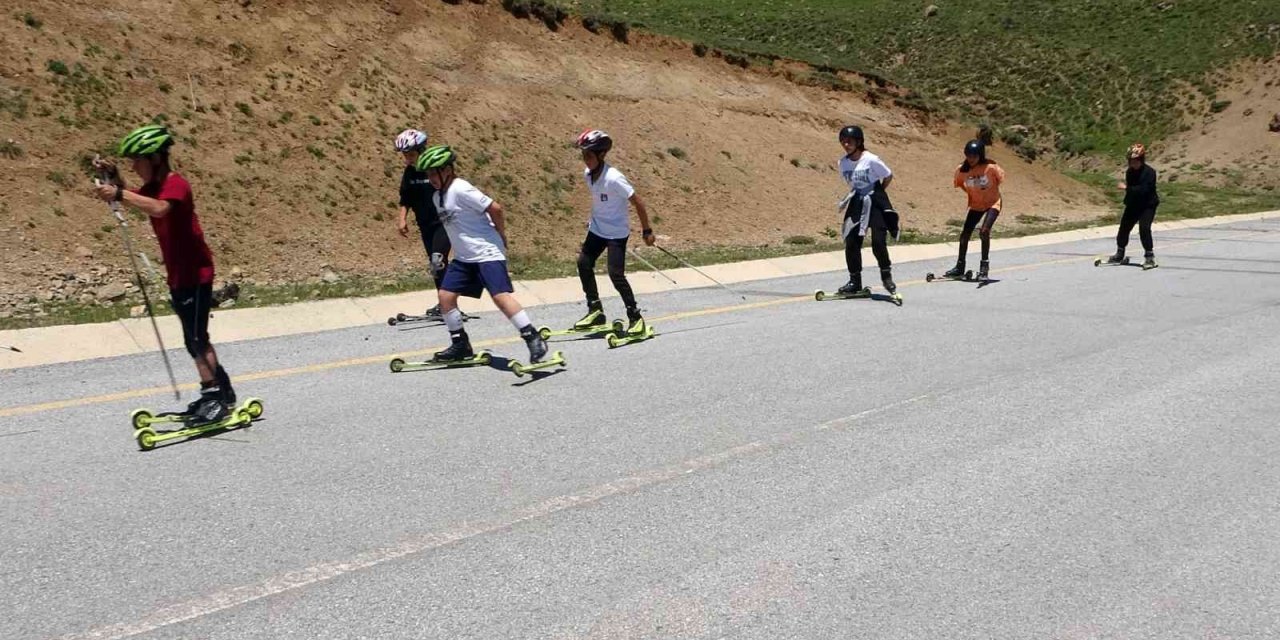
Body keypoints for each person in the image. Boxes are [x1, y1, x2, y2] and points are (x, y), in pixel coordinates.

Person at [92, 125, 236, 423]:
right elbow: (136, 197)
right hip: (178, 275)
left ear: (155, 158)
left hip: (196, 273)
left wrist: (118, 191)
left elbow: (158, 209)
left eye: (137, 160)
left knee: (197, 338)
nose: (135, 166)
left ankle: (214, 398)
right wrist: (114, 176)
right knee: (192, 338)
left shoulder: (176, 185)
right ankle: (223, 393)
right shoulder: (155, 187)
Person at [416, 145, 551, 362]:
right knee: (445, 297)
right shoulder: (437, 198)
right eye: (428, 173)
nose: (431, 177)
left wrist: (501, 234)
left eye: (435, 172)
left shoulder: (461, 188)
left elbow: (495, 208)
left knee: (500, 297)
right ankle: (460, 345)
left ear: (448, 170)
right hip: (464, 258)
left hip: (486, 252)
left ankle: (533, 337)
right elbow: (453, 228)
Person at [571, 129, 655, 335]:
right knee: (584, 263)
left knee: (615, 274)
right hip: (597, 229)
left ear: (601, 155)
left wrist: (647, 231)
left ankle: (636, 317)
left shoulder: (614, 178)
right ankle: (595, 310)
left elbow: (638, 202)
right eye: (583, 155)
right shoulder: (588, 175)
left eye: (588, 155)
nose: (585, 160)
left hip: (617, 233)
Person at [394, 128, 454, 319]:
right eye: (405, 156)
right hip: (425, 225)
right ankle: (444, 302)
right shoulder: (410, 172)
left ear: (421, 151)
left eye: (410, 154)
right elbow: (406, 198)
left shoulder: (435, 170)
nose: (408, 159)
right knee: (436, 266)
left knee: (438, 260)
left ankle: (449, 305)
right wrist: (402, 218)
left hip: (443, 223)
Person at [834, 125, 898, 297]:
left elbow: (888, 175)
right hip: (857, 201)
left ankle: (886, 276)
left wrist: (879, 193)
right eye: (843, 141)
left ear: (859, 142)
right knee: (852, 241)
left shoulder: (871, 159)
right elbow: (853, 184)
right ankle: (855, 281)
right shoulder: (843, 163)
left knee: (878, 241)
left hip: (875, 199)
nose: (846, 144)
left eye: (849, 141)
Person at [946, 139, 1006, 280]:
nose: (971, 159)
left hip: (993, 202)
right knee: (965, 234)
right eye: (968, 155)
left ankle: (984, 268)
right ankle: (960, 266)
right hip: (976, 205)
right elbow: (960, 184)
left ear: (981, 155)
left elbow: (1000, 179)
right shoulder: (961, 170)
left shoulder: (991, 167)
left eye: (974, 156)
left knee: (984, 231)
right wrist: (973, 193)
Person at [1105, 142, 1159, 269]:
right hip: (1134, 204)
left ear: (1141, 159)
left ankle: (1149, 257)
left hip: (1148, 205)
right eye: (1130, 161)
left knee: (1144, 228)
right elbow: (1133, 191)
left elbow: (1144, 190)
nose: (1132, 163)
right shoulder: (1129, 172)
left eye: (1135, 160)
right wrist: (1127, 201)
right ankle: (1120, 253)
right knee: (1124, 227)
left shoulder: (1150, 173)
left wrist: (1126, 188)